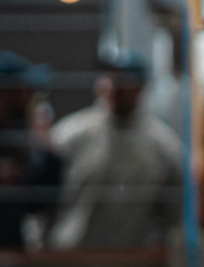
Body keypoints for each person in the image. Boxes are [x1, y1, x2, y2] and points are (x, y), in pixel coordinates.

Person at [49, 55, 182, 250]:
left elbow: (175, 215)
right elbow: (40, 197)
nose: (114, 86)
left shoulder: (163, 146)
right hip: (72, 259)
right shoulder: (70, 135)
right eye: (109, 78)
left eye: (123, 80)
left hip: (131, 264)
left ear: (141, 87)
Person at [0, 51, 62, 250]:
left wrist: (47, 151)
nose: (33, 96)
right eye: (27, 89)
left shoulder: (19, 136)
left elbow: (38, 204)